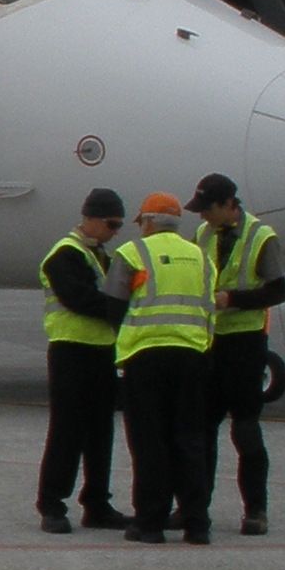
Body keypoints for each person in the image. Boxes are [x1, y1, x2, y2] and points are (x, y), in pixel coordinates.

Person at [104, 191, 216, 543]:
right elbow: (210, 304)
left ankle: (150, 522)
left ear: (149, 222)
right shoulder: (200, 256)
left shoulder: (133, 253)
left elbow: (113, 305)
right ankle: (196, 523)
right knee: (191, 439)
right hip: (192, 354)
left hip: (146, 356)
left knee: (149, 441)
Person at [190, 173, 285, 535]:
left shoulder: (262, 237)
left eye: (208, 210)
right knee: (202, 430)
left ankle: (256, 509)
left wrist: (234, 300)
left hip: (245, 343)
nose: (202, 217)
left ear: (230, 205)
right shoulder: (203, 235)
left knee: (245, 430)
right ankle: (197, 507)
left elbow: (278, 291)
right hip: (211, 340)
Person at [36, 188, 128, 532]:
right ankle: (51, 503)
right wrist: (122, 310)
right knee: (67, 430)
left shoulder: (102, 255)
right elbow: (79, 299)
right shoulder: (64, 255)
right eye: (111, 223)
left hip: (102, 350)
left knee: (100, 431)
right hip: (70, 349)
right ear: (90, 218)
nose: (115, 231)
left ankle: (97, 503)